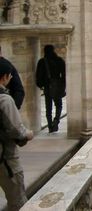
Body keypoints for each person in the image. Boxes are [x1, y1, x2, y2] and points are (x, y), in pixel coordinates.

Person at [0, 60, 34, 210]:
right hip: (6, 158)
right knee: (17, 201)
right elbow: (16, 130)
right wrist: (28, 134)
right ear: (5, 77)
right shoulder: (5, 100)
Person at [35, 45, 65, 133]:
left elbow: (38, 76)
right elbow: (64, 75)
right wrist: (63, 87)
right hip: (57, 86)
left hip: (47, 87)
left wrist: (41, 85)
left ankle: (50, 126)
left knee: (48, 107)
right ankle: (56, 120)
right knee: (59, 105)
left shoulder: (42, 61)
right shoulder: (59, 60)